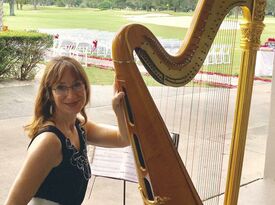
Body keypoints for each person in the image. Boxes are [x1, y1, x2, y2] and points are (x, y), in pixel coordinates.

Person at [4, 56, 130, 205]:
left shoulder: (80, 127)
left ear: (85, 87)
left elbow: (123, 139)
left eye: (77, 85)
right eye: (61, 87)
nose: (71, 95)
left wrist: (119, 110)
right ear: (49, 94)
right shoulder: (49, 141)